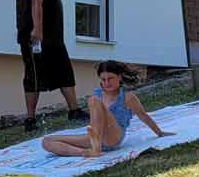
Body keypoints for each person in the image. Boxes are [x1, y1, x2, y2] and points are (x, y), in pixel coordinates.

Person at [18, 0, 89, 132]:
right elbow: (36, 1)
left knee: (64, 72)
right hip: (36, 37)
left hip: (54, 39)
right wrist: (37, 30)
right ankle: (30, 120)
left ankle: (74, 111)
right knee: (34, 76)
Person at [42, 61, 174, 157]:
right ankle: (87, 152)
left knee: (93, 100)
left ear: (119, 77)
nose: (106, 83)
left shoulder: (127, 97)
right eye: (103, 79)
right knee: (46, 141)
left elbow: (143, 116)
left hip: (113, 137)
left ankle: (96, 146)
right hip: (94, 136)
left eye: (110, 78)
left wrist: (159, 132)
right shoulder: (98, 94)